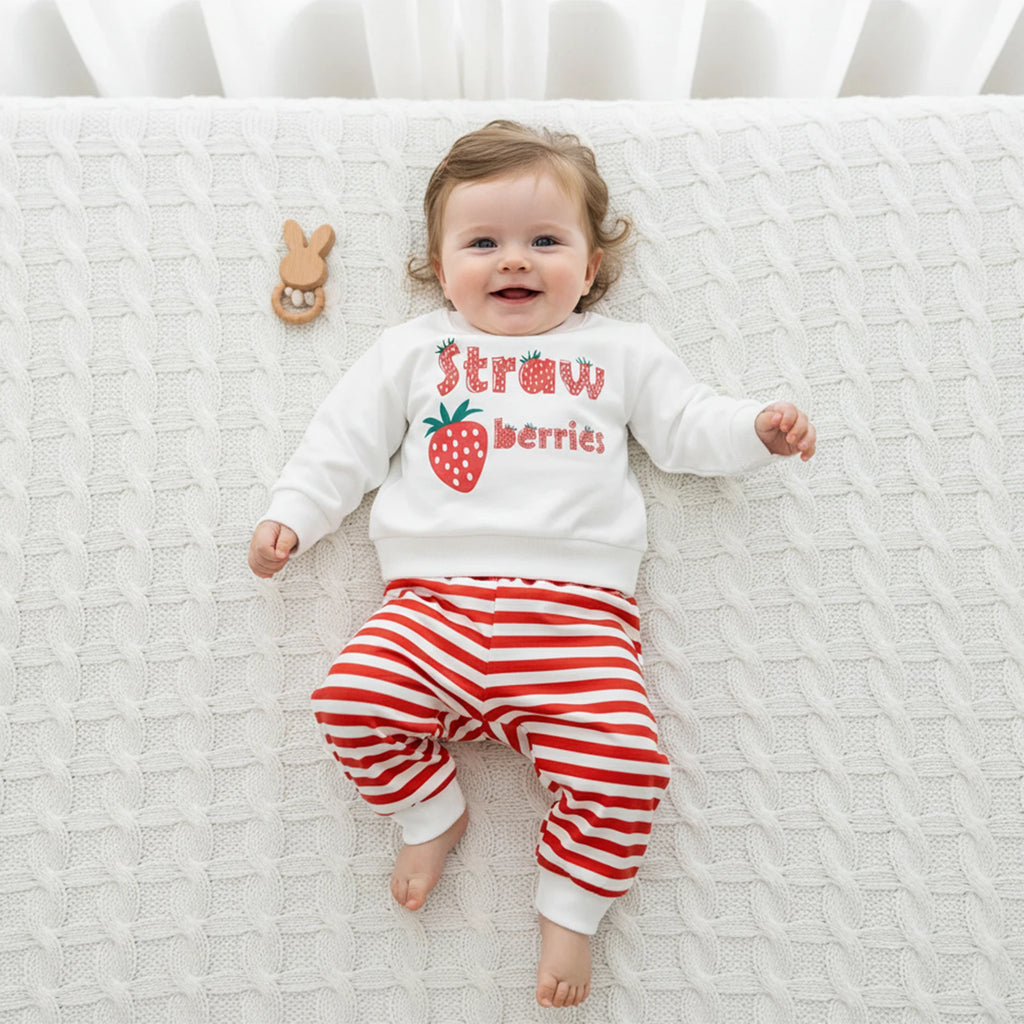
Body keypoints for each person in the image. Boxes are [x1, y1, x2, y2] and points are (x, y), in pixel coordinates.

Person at [248, 120, 816, 1009]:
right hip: (429, 607)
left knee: (626, 768)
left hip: (577, 622)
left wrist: (754, 429)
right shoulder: (415, 350)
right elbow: (343, 444)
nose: (514, 260)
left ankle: (571, 910)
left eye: (545, 241)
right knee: (351, 701)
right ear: (441, 269)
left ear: (590, 269)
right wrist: (292, 514)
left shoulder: (621, 351)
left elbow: (686, 427)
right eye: (483, 243)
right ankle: (432, 809)